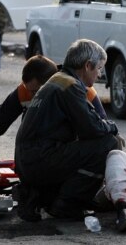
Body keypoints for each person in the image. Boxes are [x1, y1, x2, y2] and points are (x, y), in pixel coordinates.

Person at [14, 39, 120, 222]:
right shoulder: (70, 85)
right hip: (39, 159)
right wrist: (112, 126)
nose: (99, 74)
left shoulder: (57, 80)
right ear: (88, 66)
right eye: (99, 68)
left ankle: (48, 196)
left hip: (28, 160)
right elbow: (92, 129)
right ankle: (69, 203)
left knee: (84, 146)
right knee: (108, 143)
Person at [0, 55, 109, 167]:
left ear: (51, 82)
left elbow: (101, 128)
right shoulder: (24, 91)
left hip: (67, 155)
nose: (32, 96)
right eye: (29, 91)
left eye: (36, 91)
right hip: (36, 156)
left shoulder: (81, 91)